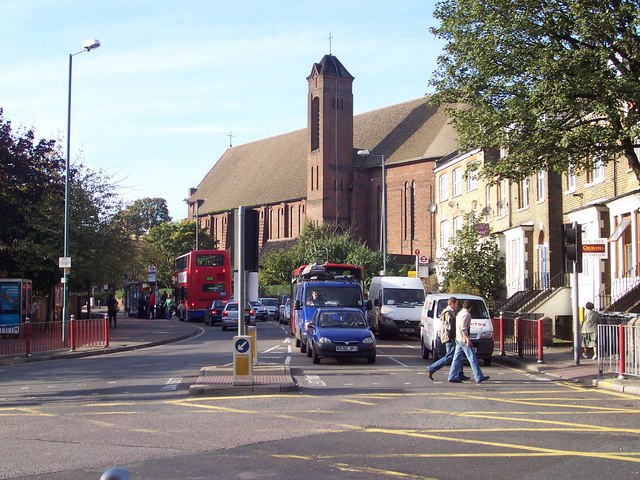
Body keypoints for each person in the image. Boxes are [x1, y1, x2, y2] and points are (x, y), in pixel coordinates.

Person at [426, 297, 468, 381]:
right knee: (450, 356)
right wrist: (451, 336)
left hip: (452, 336)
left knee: (458, 355)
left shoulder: (451, 312)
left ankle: (460, 374)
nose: (457, 306)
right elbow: (447, 326)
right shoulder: (447, 312)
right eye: (456, 304)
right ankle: (431, 368)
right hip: (449, 337)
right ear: (452, 303)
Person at [448, 300, 489, 384]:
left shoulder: (460, 313)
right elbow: (463, 328)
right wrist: (467, 339)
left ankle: (452, 376)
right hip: (463, 339)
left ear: (463, 305)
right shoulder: (467, 315)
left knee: (456, 359)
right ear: (471, 307)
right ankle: (478, 376)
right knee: (472, 358)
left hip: (458, 338)